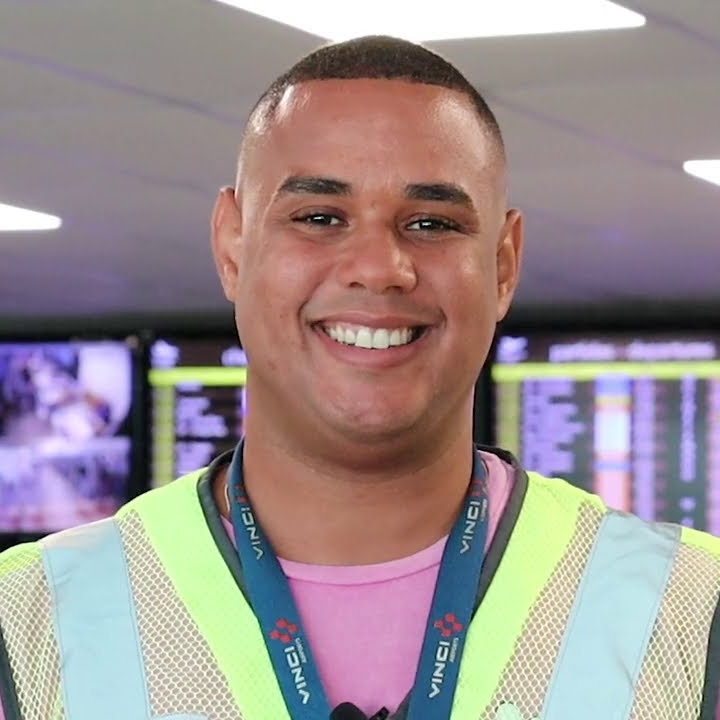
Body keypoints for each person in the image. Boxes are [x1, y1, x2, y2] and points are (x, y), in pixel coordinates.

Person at [0, 34, 719, 720]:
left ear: (502, 265)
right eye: (319, 216)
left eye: (431, 224)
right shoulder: (29, 620)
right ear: (232, 246)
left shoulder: (691, 611)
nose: (378, 268)